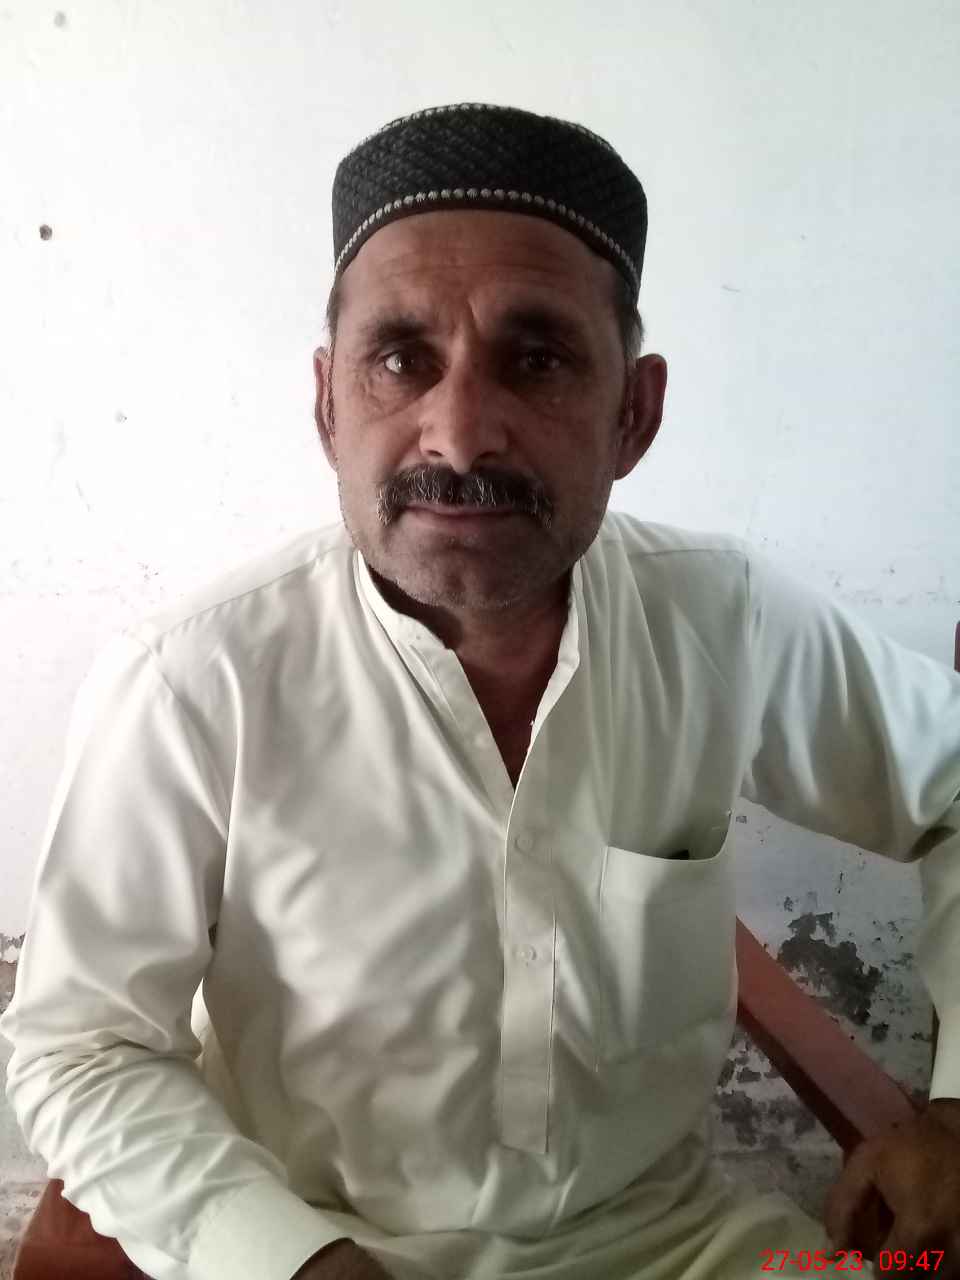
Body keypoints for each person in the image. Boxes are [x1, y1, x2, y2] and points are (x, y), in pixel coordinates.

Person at [2, 102, 959, 1280]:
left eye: (537, 359)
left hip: (670, 1246)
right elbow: (82, 1047)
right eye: (401, 359)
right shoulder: (195, 681)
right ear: (328, 404)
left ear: (634, 413)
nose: (458, 435)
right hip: (309, 1241)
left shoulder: (722, 619)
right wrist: (295, 1259)